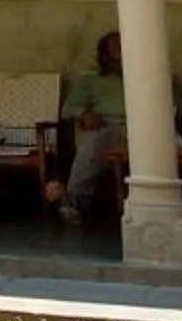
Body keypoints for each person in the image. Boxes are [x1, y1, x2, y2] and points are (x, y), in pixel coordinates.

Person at [50, 31, 128, 227]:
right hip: (112, 130)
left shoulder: (150, 78)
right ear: (104, 58)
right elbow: (68, 109)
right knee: (93, 142)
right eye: (119, 50)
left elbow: (179, 107)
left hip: (147, 130)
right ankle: (74, 203)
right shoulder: (91, 83)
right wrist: (85, 114)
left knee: (175, 142)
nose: (125, 53)